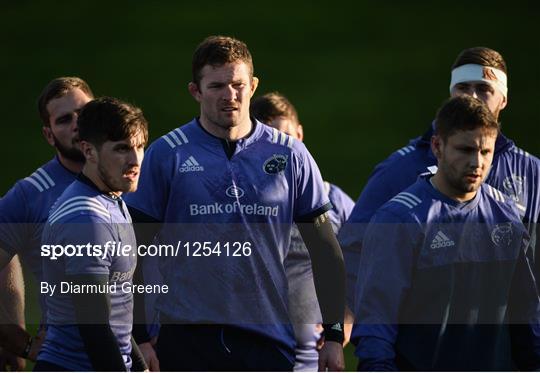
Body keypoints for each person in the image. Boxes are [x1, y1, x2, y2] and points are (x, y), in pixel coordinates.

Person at [126, 35, 346, 371]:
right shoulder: (167, 154)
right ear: (195, 91)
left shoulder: (290, 154)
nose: (230, 96)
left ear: (253, 85)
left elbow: (325, 249)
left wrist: (332, 335)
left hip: (269, 341)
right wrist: (140, 337)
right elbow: (133, 253)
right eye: (216, 86)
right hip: (188, 341)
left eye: (238, 84)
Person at [339, 47, 540, 307]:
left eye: (483, 89)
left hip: (506, 340)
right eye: (463, 88)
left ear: (503, 100)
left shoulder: (531, 173)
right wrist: (347, 320)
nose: (472, 97)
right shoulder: (402, 167)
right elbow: (356, 247)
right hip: (423, 335)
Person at [353, 95, 540, 370]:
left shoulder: (506, 214)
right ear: (437, 146)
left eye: (486, 152)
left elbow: (527, 315)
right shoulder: (401, 220)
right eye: (464, 150)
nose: (477, 162)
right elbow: (376, 324)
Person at [35, 97, 148, 371]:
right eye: (122, 149)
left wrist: (140, 366)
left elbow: (116, 309)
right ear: (89, 150)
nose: (135, 160)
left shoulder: (111, 200)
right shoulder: (86, 219)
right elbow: (94, 326)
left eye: (140, 147)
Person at [250, 92, 354, 371]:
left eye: (287, 137)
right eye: (269, 140)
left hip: (315, 358)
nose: (280, 149)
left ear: (300, 134)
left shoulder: (335, 200)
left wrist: (347, 317)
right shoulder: (238, 204)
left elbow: (368, 261)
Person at [0, 77, 94, 367]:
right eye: (65, 119)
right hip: (66, 359)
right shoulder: (30, 194)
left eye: (84, 113)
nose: (77, 124)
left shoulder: (132, 174)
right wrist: (19, 342)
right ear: (49, 135)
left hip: (134, 351)